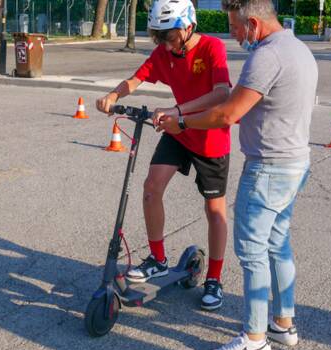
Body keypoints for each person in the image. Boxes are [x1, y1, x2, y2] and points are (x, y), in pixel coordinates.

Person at [155, 0, 318, 350]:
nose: (232, 34)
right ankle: (283, 323)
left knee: (252, 252)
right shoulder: (299, 48)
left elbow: (228, 112)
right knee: (278, 244)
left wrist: (181, 123)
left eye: (236, 27)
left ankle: (255, 338)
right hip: (295, 161)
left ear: (255, 24)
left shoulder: (267, 56)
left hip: (269, 168)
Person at [96, 0, 232, 311]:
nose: (165, 44)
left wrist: (176, 110)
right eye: (159, 37)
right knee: (151, 188)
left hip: (209, 135)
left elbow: (223, 93)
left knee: (214, 211)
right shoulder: (164, 52)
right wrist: (113, 95)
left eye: (169, 37)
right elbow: (136, 78)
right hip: (178, 132)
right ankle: (157, 258)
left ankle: (214, 277)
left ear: (188, 27)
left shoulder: (212, 48)